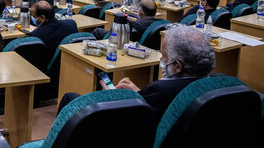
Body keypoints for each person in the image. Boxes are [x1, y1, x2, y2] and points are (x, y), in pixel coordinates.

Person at [60, 25, 215, 124]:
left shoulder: (162, 90)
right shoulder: (214, 84)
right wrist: (139, 94)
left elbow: (135, 121)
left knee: (69, 98)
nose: (161, 59)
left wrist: (112, 98)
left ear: (177, 66)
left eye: (164, 56)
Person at [93, 0, 163, 42]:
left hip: (125, 44)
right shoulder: (161, 22)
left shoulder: (136, 24)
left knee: (97, 31)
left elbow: (115, 32)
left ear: (141, 12)